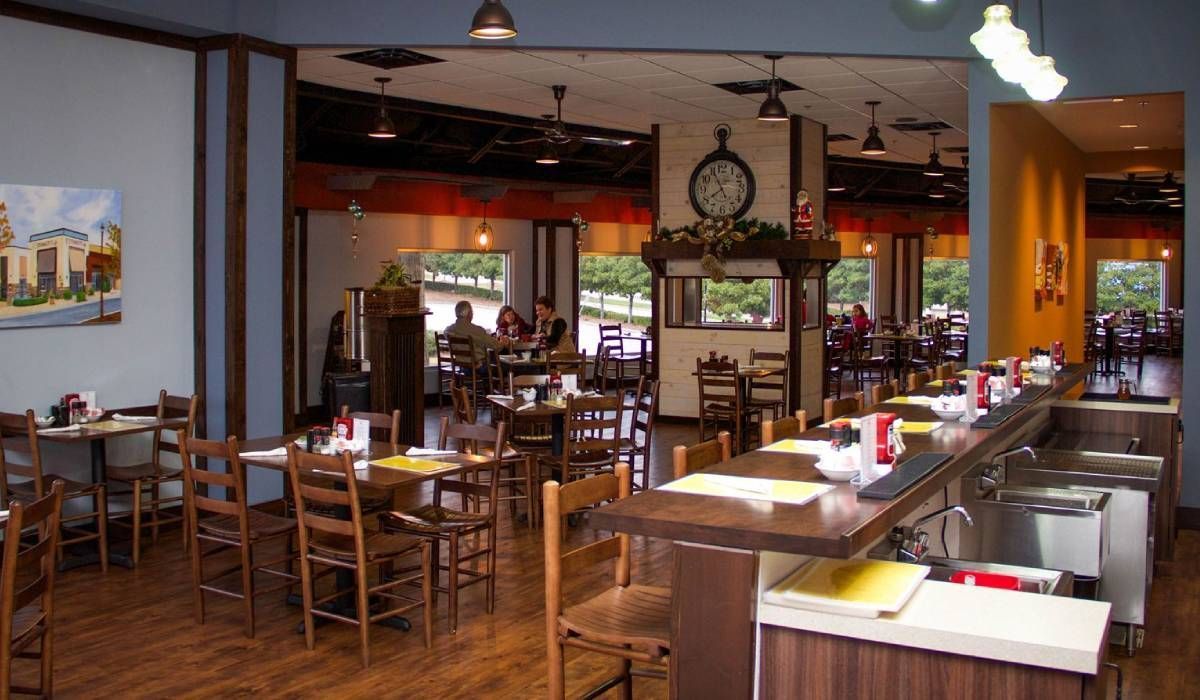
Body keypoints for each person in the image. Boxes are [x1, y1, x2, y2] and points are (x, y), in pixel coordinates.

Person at [445, 300, 510, 365]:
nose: (472, 314)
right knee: (508, 366)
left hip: (462, 366)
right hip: (479, 366)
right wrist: (502, 343)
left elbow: (448, 333)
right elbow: (496, 346)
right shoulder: (476, 330)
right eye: (472, 312)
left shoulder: (448, 330)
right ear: (469, 313)